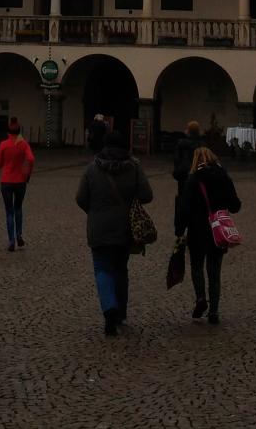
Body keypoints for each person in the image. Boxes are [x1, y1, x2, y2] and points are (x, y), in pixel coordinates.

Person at [75, 125, 153, 336]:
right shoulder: (134, 166)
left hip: (99, 228)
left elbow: (81, 198)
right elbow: (147, 195)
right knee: (120, 269)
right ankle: (120, 313)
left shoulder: (92, 168)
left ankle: (109, 308)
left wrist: (94, 211)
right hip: (125, 227)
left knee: (102, 268)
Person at [174, 144, 241, 326]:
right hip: (217, 230)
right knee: (214, 271)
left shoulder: (193, 179)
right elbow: (235, 205)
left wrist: (179, 230)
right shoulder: (224, 177)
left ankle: (201, 298)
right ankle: (214, 311)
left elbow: (184, 208)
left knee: (197, 266)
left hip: (197, 230)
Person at [0, 116, 35, 252]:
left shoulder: (3, 145)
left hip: (6, 181)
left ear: (8, 131)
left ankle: (11, 240)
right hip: (20, 181)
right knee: (18, 208)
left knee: (9, 211)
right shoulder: (23, 144)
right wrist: (27, 173)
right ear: (19, 131)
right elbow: (31, 158)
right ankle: (19, 234)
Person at [171, 119, 202, 195]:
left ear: (188, 131)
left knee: (183, 195)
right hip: (198, 176)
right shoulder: (202, 145)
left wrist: (177, 173)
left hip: (183, 175)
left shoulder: (181, 144)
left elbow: (176, 160)